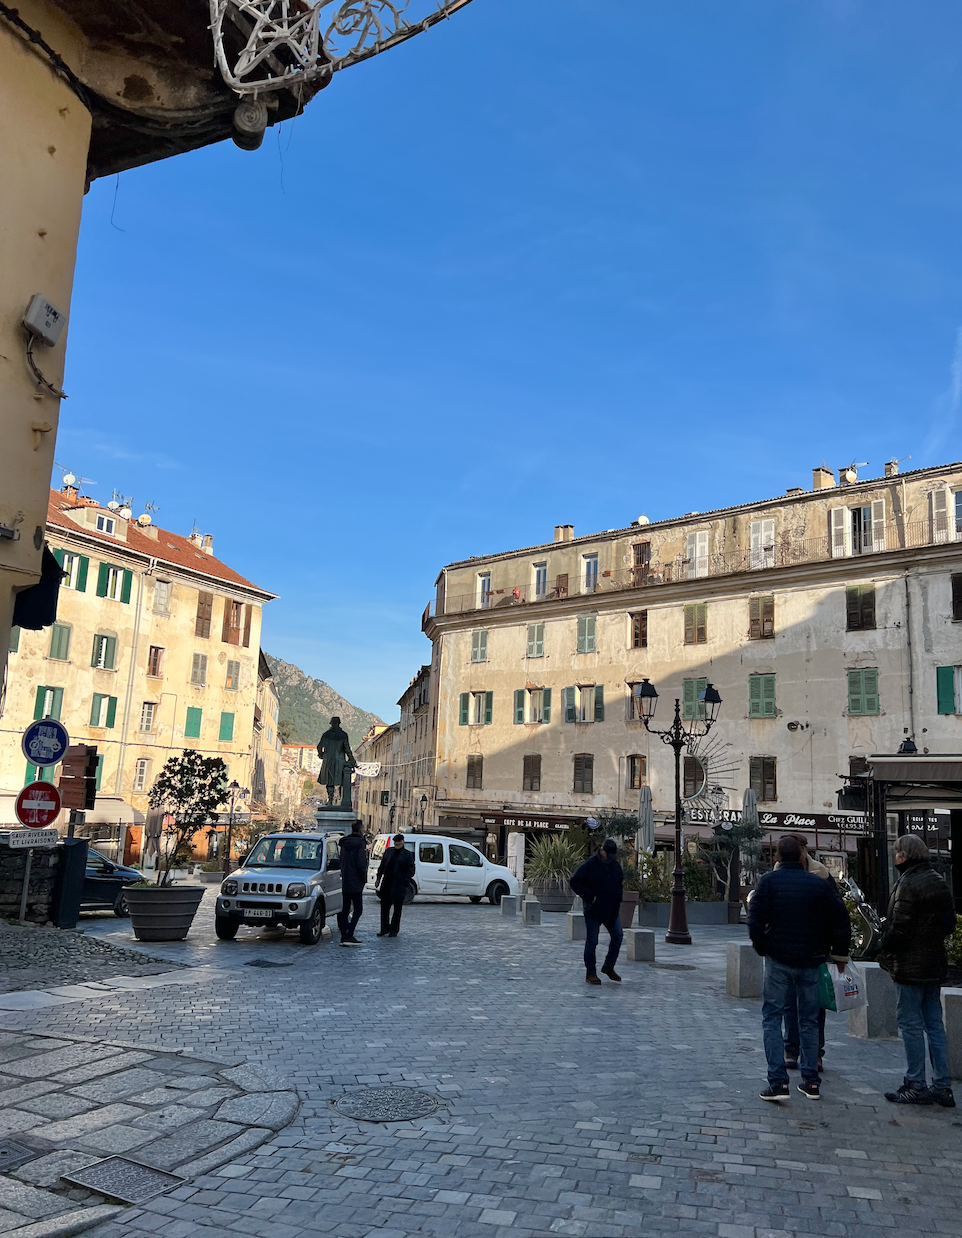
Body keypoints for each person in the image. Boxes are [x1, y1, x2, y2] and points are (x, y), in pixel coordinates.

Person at [749, 834, 850, 1102]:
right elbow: (840, 918)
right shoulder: (818, 884)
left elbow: (755, 918)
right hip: (811, 960)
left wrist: (763, 946)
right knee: (809, 1019)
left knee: (772, 1017)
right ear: (802, 855)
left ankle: (778, 1081)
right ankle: (811, 1081)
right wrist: (838, 953)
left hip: (779, 959)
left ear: (778, 857)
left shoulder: (768, 882)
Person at [879, 834, 957, 1107]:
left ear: (904, 855)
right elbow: (949, 924)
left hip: (910, 966)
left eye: (897, 852)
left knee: (910, 1024)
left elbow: (899, 929)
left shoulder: (908, 883)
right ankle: (943, 1086)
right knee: (934, 1024)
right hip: (933, 963)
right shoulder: (938, 879)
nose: (895, 857)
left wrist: (883, 943)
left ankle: (916, 1083)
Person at [780, 834, 833, 1072]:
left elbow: (835, 914)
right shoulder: (776, 875)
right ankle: (791, 1049)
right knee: (790, 1004)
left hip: (813, 952)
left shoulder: (821, 875)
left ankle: (815, 1054)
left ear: (804, 850)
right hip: (786, 953)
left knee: (814, 1007)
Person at [569, 839, 624, 986]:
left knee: (618, 935)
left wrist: (618, 902)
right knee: (592, 941)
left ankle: (608, 967)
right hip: (593, 910)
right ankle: (591, 973)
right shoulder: (590, 865)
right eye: (609, 854)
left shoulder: (615, 866)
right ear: (602, 851)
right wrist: (589, 896)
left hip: (611, 911)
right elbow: (574, 881)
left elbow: (619, 884)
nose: (611, 857)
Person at [375, 833, 415, 938]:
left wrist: (404, 880)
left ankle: (394, 929)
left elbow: (411, 871)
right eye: (395, 842)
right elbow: (382, 866)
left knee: (397, 909)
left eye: (399, 842)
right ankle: (384, 928)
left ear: (403, 842)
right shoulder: (389, 852)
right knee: (384, 908)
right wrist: (378, 878)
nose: (397, 843)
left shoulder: (408, 855)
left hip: (399, 884)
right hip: (387, 883)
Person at [337, 821, 369, 947]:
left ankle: (344, 934)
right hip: (356, 881)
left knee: (345, 909)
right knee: (358, 910)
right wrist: (363, 879)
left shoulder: (344, 844)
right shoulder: (360, 843)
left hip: (346, 880)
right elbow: (361, 864)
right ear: (360, 829)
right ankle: (348, 934)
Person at [316, 717, 357, 808]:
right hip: (339, 761)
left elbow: (319, 747)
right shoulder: (343, 735)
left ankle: (330, 800)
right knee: (342, 781)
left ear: (331, 723)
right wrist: (352, 760)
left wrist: (321, 754)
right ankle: (341, 800)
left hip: (328, 760)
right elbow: (347, 749)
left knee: (329, 781)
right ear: (339, 723)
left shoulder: (326, 734)